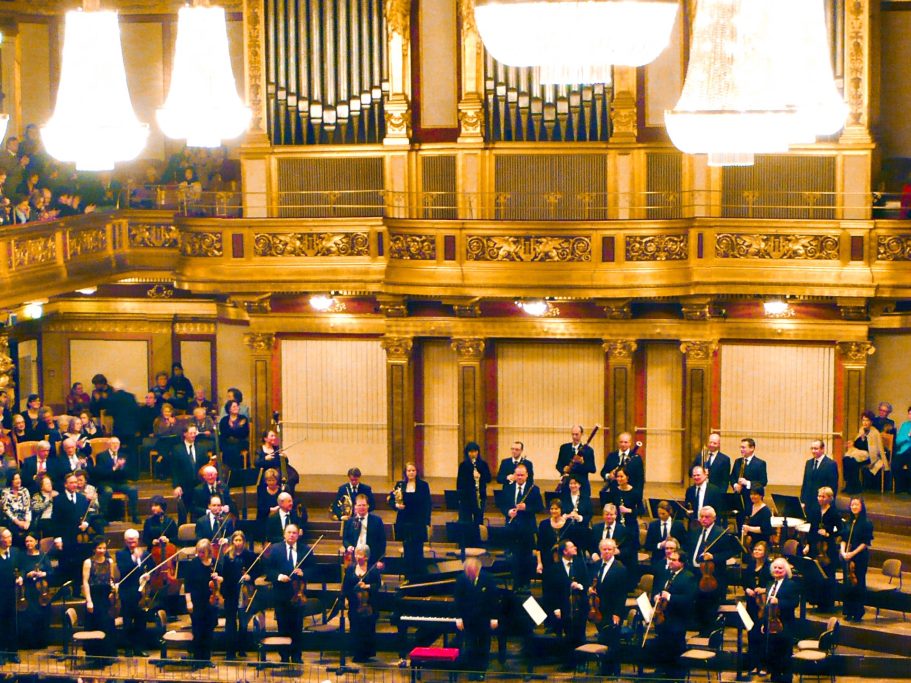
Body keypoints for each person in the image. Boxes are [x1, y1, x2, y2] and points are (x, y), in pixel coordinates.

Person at [647, 548, 696, 683]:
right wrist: (658, 596)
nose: (670, 562)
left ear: (682, 563)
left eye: (674, 560)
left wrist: (670, 597)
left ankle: (676, 675)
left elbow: (688, 599)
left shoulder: (688, 577)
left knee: (675, 647)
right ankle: (664, 671)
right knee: (664, 645)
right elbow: (662, 590)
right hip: (665, 617)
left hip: (678, 619)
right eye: (670, 559)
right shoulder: (668, 574)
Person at [267, 524, 314, 663]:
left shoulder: (306, 550)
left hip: (298, 594)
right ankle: (284, 656)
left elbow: (314, 568)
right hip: (281, 594)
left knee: (297, 626)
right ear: (284, 534)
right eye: (289, 532)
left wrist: (304, 572)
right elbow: (268, 569)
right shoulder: (275, 549)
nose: (292, 535)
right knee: (283, 626)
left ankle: (296, 655)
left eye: (294, 533)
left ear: (298, 534)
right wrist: (278, 576)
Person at [542, 539, 589, 668]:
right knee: (568, 635)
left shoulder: (581, 564)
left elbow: (587, 582)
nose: (575, 548)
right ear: (565, 551)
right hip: (563, 607)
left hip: (579, 606)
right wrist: (555, 608)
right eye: (572, 546)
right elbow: (550, 591)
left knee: (580, 634)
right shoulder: (554, 569)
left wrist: (579, 586)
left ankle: (581, 662)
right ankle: (569, 662)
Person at [688, 506, 733, 635]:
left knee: (709, 604)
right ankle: (700, 629)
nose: (703, 519)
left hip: (712, 575)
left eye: (707, 517)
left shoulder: (720, 533)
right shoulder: (696, 531)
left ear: (714, 518)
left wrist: (714, 557)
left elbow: (729, 552)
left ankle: (709, 632)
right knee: (698, 602)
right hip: (695, 573)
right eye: (701, 516)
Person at [498, 463, 543, 590]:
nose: (520, 477)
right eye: (517, 475)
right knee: (514, 558)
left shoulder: (533, 489)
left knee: (526, 558)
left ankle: (525, 584)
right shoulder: (508, 488)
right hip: (512, 529)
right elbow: (502, 505)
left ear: (527, 475)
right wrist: (508, 512)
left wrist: (526, 508)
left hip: (527, 529)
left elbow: (540, 507)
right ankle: (516, 585)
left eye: (522, 475)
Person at [454, 556, 499, 676]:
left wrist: (494, 618)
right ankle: (472, 671)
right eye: (468, 572)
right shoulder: (461, 579)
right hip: (468, 619)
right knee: (470, 645)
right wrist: (459, 618)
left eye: (472, 572)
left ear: (478, 570)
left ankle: (481, 671)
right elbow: (458, 600)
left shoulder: (488, 579)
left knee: (484, 645)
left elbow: (494, 600)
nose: (470, 575)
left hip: (484, 618)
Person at [590, 538, 628, 676]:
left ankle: (614, 671)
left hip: (613, 610)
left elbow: (622, 594)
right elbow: (593, 582)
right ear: (600, 551)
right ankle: (604, 669)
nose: (606, 552)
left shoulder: (620, 568)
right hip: (599, 609)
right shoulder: (596, 565)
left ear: (614, 551)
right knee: (603, 638)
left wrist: (617, 613)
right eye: (604, 549)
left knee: (613, 642)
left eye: (609, 549)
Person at [802, 486, 842, 612]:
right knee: (816, 573)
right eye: (819, 496)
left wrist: (829, 534)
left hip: (828, 549)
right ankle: (816, 600)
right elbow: (812, 529)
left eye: (823, 496)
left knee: (827, 574)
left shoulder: (834, 513)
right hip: (815, 546)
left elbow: (841, 530)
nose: (820, 498)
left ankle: (827, 603)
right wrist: (808, 544)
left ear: (829, 498)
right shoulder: (815, 510)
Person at [389, 462, 431, 579]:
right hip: (404, 522)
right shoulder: (400, 485)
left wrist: (427, 522)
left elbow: (428, 504)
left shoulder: (423, 485)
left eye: (413, 470)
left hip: (418, 522)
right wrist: (397, 506)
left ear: (417, 472)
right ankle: (408, 577)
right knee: (407, 550)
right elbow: (391, 500)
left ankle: (419, 578)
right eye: (409, 471)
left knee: (418, 551)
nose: (411, 473)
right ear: (405, 472)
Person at [114, 529, 152, 657]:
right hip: (127, 591)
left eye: (134, 542)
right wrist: (135, 559)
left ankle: (139, 647)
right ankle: (128, 648)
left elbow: (152, 567)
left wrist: (148, 575)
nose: (132, 544)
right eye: (129, 542)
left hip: (141, 592)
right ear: (125, 541)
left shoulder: (145, 553)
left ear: (138, 540)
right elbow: (124, 570)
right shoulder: (120, 554)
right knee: (128, 621)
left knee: (141, 621)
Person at [221, 530, 259, 659]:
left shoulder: (250, 556)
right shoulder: (227, 556)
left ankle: (242, 649)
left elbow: (258, 571)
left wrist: (250, 576)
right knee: (230, 622)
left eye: (240, 540)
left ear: (244, 542)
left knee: (243, 622)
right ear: (232, 542)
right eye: (236, 540)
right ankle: (230, 652)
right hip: (231, 592)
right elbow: (224, 574)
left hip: (245, 592)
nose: (238, 543)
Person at [762, 557, 800, 683]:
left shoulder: (791, 584)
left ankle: (786, 679)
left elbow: (794, 603)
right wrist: (765, 623)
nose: (777, 570)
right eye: (775, 568)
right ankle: (775, 677)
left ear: (786, 570)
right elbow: (767, 606)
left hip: (785, 624)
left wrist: (780, 601)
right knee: (773, 653)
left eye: (780, 568)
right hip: (771, 624)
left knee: (784, 654)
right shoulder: (770, 584)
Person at [343, 543, 381, 663]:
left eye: (361, 554)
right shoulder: (350, 568)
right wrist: (347, 597)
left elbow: (377, 585)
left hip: (369, 605)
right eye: (356, 554)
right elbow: (346, 586)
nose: (358, 556)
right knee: (355, 628)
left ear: (366, 557)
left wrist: (367, 586)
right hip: (355, 605)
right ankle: (356, 653)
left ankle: (366, 653)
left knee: (368, 629)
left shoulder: (373, 569)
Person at [82, 536, 118, 659]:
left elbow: (111, 579)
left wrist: (114, 588)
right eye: (99, 548)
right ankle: (95, 656)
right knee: (96, 625)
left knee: (107, 625)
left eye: (104, 548)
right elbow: (85, 582)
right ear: (94, 549)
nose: (102, 550)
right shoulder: (88, 562)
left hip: (106, 596)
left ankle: (108, 655)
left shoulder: (110, 561)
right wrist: (89, 601)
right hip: (94, 596)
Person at [185, 538, 219, 668]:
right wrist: (189, 602)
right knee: (198, 631)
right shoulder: (193, 563)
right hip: (196, 602)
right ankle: (197, 660)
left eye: (203, 552)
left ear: (209, 551)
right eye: (199, 552)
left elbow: (221, 579)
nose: (200, 555)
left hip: (210, 601)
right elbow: (187, 585)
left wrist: (218, 578)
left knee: (208, 631)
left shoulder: (214, 564)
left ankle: (206, 659)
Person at [88, 436, 140, 523]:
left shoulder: (124, 456)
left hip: (120, 483)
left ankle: (135, 516)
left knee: (133, 490)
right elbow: (100, 473)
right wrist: (114, 468)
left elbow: (129, 473)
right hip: (106, 482)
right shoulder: (101, 456)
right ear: (108, 445)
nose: (115, 445)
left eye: (117, 444)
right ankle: (103, 517)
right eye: (113, 443)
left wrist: (122, 467)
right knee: (108, 491)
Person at [52, 473, 90, 584]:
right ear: (65, 484)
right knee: (66, 563)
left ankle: (77, 590)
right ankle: (66, 591)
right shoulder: (59, 499)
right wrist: (57, 537)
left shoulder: (82, 498)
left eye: (75, 482)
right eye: (71, 483)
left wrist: (86, 522)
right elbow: (55, 520)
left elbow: (88, 514)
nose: (74, 485)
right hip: (65, 536)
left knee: (79, 563)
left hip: (79, 537)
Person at [742, 541, 774, 676]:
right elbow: (744, 581)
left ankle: (763, 665)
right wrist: (747, 589)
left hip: (763, 604)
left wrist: (763, 589)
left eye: (759, 550)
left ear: (765, 552)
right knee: (752, 633)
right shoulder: (750, 566)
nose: (756, 551)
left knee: (762, 634)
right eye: (755, 549)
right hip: (751, 603)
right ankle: (753, 664)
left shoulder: (768, 567)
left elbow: (772, 583)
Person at [841, 496, 873, 622]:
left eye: (856, 505)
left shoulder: (866, 523)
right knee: (847, 584)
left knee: (858, 583)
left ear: (861, 507)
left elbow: (865, 542)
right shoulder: (848, 522)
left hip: (859, 556)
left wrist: (852, 553)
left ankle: (858, 611)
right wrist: (843, 552)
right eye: (852, 505)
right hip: (847, 556)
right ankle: (848, 611)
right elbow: (843, 538)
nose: (854, 507)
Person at [19, 533, 51, 650]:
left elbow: (50, 571)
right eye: (27, 541)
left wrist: (43, 573)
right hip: (29, 589)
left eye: (31, 541)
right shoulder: (22, 556)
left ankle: (41, 642)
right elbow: (20, 571)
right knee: (29, 615)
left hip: (42, 590)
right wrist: (27, 574)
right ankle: (29, 643)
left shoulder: (43, 555)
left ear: (36, 542)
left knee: (42, 615)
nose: (28, 544)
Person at [843, 410, 885, 493]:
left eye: (867, 420)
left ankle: (855, 486)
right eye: (863, 420)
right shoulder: (861, 430)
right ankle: (850, 484)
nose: (865, 423)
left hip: (869, 457)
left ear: (871, 422)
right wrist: (852, 444)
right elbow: (856, 443)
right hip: (858, 454)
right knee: (846, 459)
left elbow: (878, 448)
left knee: (852, 462)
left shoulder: (875, 433)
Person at [590, 503, 636, 576]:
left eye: (611, 514)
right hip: (598, 562)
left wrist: (619, 551)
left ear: (616, 515)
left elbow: (630, 548)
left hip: (617, 564)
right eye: (606, 514)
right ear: (603, 515)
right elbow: (591, 545)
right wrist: (594, 554)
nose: (609, 517)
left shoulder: (624, 530)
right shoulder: (596, 528)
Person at [171, 425, 205, 524]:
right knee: (183, 514)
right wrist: (176, 486)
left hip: (198, 485)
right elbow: (174, 469)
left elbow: (204, 466)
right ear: (185, 434)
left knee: (197, 513)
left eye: (195, 433)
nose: (193, 435)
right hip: (184, 486)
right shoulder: (177, 449)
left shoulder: (201, 448)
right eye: (191, 433)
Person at [730, 438, 768, 523]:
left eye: (743, 447)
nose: (741, 449)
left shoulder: (760, 463)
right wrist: (735, 485)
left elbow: (763, 482)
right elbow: (732, 477)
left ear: (752, 448)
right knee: (740, 524)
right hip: (739, 499)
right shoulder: (738, 461)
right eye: (740, 447)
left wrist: (747, 483)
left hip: (752, 500)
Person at [342, 493, 386, 561]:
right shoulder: (350, 521)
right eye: (359, 505)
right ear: (355, 506)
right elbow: (345, 539)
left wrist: (380, 560)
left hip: (372, 557)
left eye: (364, 505)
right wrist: (348, 546)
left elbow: (382, 541)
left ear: (368, 506)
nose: (362, 507)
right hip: (354, 556)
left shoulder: (377, 521)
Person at [0, 528, 22, 663]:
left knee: (12, 623)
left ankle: (13, 652)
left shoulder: (15, 552)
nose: (10, 539)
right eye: (7, 537)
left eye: (10, 536)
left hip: (12, 594)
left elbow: (21, 568)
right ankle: (1, 653)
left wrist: (21, 577)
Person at [456, 441, 491, 526]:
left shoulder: (483, 464)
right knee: (466, 520)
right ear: (467, 453)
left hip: (479, 496)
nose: (473, 454)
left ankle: (478, 537)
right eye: (471, 452)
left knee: (478, 519)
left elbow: (489, 479)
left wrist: (480, 476)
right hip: (467, 496)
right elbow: (460, 482)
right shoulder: (463, 465)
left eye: (475, 451)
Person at [800, 439, 839, 514]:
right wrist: (802, 501)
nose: (813, 451)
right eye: (812, 448)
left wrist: (828, 503)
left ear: (823, 449)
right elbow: (805, 483)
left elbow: (833, 486)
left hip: (822, 504)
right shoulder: (809, 463)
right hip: (809, 504)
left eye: (816, 449)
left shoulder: (831, 464)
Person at [556, 425, 596, 498]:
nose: (574, 437)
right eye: (573, 434)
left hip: (582, 485)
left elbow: (593, 469)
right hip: (567, 485)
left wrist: (582, 463)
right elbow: (558, 465)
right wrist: (563, 469)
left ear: (582, 434)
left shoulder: (588, 450)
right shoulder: (564, 448)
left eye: (576, 434)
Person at [644, 500, 687, 566]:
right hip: (657, 561)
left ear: (669, 512)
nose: (661, 516)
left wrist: (674, 548)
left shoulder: (678, 525)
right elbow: (647, 545)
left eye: (663, 514)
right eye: (659, 514)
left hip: (674, 560)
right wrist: (659, 545)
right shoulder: (653, 525)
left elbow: (685, 543)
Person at [535, 499, 570, 575]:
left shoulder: (568, 524)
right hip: (547, 561)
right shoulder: (544, 524)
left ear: (561, 510)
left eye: (556, 509)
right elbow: (539, 546)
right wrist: (539, 563)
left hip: (564, 561)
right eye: (552, 509)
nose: (554, 511)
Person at [603, 466, 642, 532]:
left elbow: (641, 510)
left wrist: (629, 510)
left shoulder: (635, 492)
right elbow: (608, 505)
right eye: (617, 477)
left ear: (627, 477)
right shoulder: (614, 490)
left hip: (631, 525)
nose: (619, 479)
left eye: (621, 476)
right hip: (616, 525)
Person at [560, 475, 593, 551]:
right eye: (571, 484)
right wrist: (567, 516)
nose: (573, 485)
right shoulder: (564, 498)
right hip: (567, 530)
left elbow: (590, 514)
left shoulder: (585, 498)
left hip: (581, 530)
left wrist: (579, 517)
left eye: (575, 483)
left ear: (579, 485)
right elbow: (561, 512)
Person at [1, 471, 31, 546]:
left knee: (30, 530)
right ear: (11, 481)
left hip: (24, 519)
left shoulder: (24, 490)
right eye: (16, 479)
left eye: (19, 478)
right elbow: (6, 510)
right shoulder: (5, 492)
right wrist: (18, 522)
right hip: (12, 520)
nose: (18, 481)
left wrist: (27, 521)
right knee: (16, 533)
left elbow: (28, 507)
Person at [219, 399, 250, 471]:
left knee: (234, 448)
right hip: (227, 441)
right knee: (227, 448)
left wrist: (231, 429)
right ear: (229, 409)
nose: (237, 408)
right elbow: (224, 433)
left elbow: (244, 433)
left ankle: (235, 471)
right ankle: (227, 471)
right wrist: (236, 428)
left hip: (240, 441)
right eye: (234, 407)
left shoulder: (243, 418)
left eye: (237, 406)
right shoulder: (224, 420)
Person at [741, 486, 773, 551]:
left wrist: (748, 528)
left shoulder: (766, 511)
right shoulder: (751, 506)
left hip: (760, 542)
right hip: (751, 540)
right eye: (751, 494)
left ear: (761, 496)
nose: (752, 496)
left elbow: (764, 529)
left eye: (755, 494)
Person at [29, 474, 56, 538]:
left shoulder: (56, 494)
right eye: (47, 483)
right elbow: (36, 509)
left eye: (50, 483)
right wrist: (49, 500)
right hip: (43, 520)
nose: (49, 485)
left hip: (55, 519)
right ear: (41, 486)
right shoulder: (36, 496)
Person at [893, 406, 911, 495]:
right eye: (910, 414)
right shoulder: (905, 425)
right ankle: (900, 487)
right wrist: (908, 436)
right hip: (903, 451)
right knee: (895, 465)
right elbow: (898, 441)